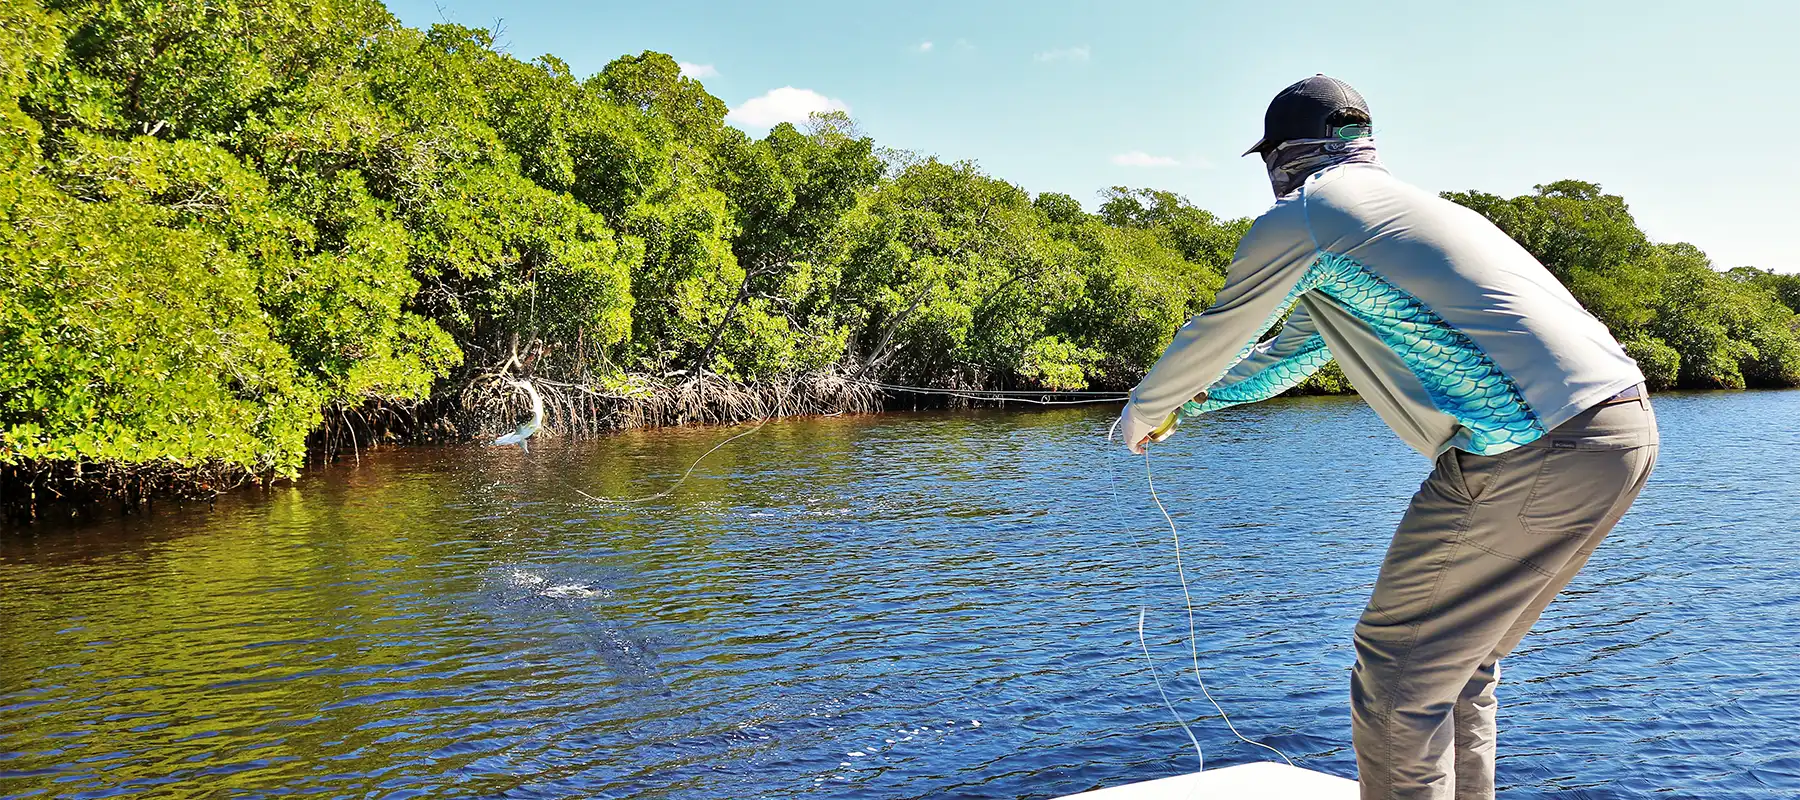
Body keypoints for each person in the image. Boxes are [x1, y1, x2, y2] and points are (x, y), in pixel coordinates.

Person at [1118, 74, 1658, 800]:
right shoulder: (1397, 216)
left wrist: (1146, 409)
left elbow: (1216, 331)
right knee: (1456, 667)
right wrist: (1197, 403)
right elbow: (1296, 351)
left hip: (1537, 448)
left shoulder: (1308, 215)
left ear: (1284, 154)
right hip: (1620, 432)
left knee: (1398, 675)